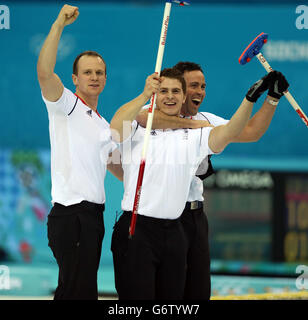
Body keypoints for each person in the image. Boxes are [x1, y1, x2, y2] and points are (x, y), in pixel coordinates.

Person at [110, 67, 276, 300]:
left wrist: (251, 99)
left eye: (176, 91)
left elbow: (230, 132)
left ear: (183, 95)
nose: (170, 96)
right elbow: (115, 129)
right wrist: (145, 94)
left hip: (174, 231)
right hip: (137, 228)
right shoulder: (138, 125)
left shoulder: (198, 134)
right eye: (164, 90)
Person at [37, 4, 122, 300]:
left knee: (83, 292)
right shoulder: (65, 106)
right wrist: (59, 24)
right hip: (70, 215)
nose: (94, 77)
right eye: (87, 72)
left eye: (100, 72)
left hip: (93, 218)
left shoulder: (103, 123)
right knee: (74, 291)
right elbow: (45, 73)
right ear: (74, 78)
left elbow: (116, 165)